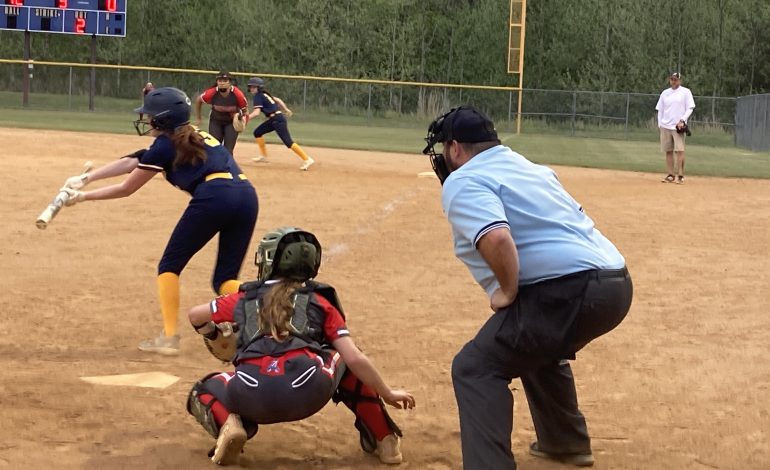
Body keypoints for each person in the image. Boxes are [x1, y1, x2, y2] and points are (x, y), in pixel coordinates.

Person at [422, 106, 633, 469]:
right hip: (615, 283)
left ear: (456, 148)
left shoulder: (464, 179)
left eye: (444, 148)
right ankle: (564, 441)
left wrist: (507, 290)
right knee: (533, 343)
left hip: (571, 289)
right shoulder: (528, 167)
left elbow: (498, 239)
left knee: (474, 368)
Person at [186, 226, 414, 465]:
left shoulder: (242, 299)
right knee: (346, 357)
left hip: (250, 394)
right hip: (309, 391)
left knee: (202, 389)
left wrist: (212, 333)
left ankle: (228, 427)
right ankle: (385, 439)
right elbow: (355, 358)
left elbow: (195, 315)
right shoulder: (320, 302)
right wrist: (388, 393)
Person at [61, 87, 259, 355]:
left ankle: (169, 338)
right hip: (247, 196)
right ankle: (267, 304)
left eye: (150, 116)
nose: (146, 119)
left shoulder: (165, 144)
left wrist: (82, 197)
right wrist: (87, 177)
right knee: (224, 281)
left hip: (215, 196)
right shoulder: (191, 136)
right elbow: (136, 160)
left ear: (162, 120)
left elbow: (126, 188)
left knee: (169, 265)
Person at [246, 77, 315, 171]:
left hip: (277, 120)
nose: (252, 89)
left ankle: (307, 159)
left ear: (259, 87)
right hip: (274, 119)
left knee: (288, 142)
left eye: (254, 87)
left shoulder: (258, 96)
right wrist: (285, 109)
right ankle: (263, 156)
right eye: (251, 87)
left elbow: (257, 112)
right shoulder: (265, 94)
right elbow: (277, 100)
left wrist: (246, 118)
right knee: (257, 132)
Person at [194, 70, 249, 155]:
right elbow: (199, 100)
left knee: (228, 150)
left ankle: (227, 167)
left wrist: (243, 121)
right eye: (220, 81)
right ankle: (214, 167)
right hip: (216, 121)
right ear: (217, 82)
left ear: (230, 83)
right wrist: (198, 117)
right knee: (214, 147)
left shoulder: (237, 94)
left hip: (231, 122)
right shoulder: (212, 93)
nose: (222, 83)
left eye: (225, 81)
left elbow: (245, 110)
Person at [656, 72, 695, 184]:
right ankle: (670, 174)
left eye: (676, 80)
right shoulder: (665, 93)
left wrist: (682, 120)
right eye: (672, 79)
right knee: (668, 151)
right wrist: (660, 124)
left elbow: (690, 108)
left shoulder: (685, 92)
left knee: (680, 150)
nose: (673, 81)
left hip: (678, 126)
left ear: (680, 81)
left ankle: (680, 175)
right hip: (665, 125)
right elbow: (660, 109)